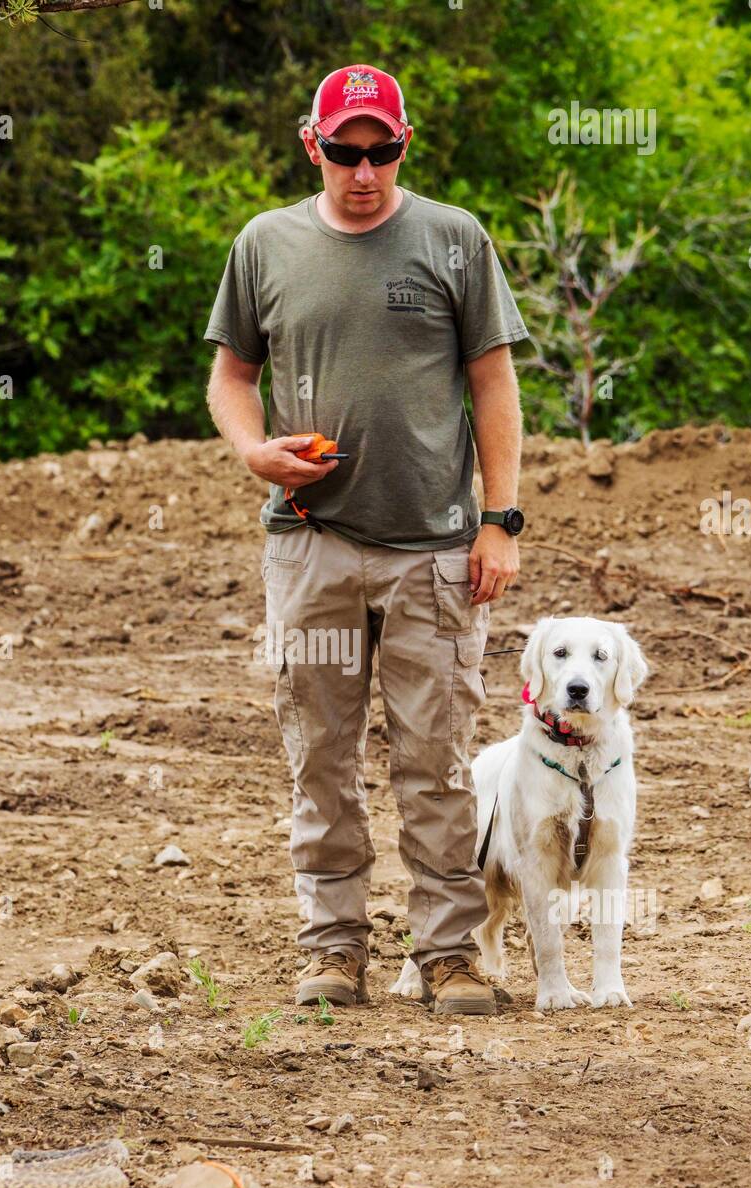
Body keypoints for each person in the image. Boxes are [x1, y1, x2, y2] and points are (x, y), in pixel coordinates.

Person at [204, 64, 529, 1016]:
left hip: (432, 547)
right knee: (321, 753)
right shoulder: (264, 244)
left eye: (380, 149)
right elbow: (230, 376)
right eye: (344, 151)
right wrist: (252, 450)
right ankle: (332, 949)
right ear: (314, 144)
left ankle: (450, 955)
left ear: (403, 144)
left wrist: (499, 521)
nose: (362, 169)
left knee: (437, 759)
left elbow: (493, 383)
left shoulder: (453, 239)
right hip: (310, 545)